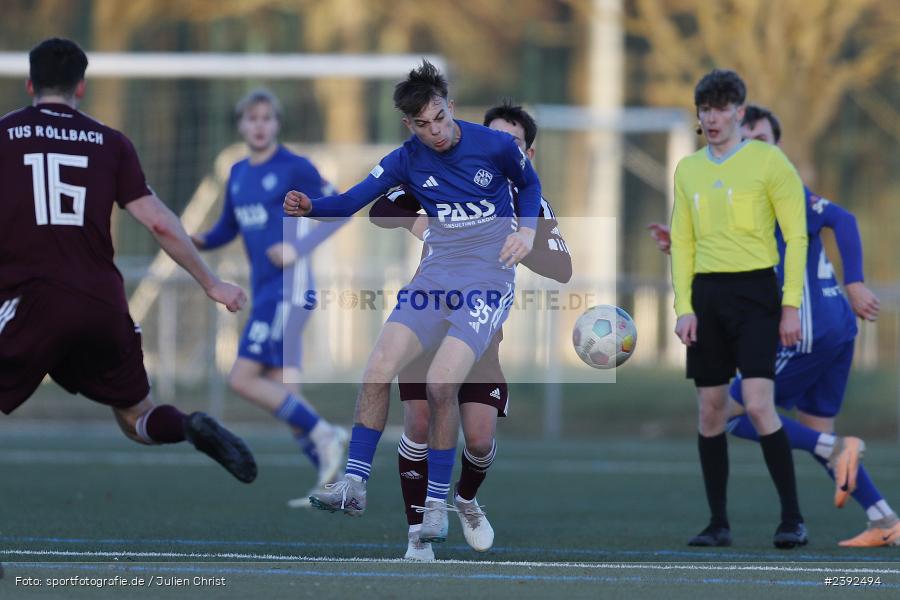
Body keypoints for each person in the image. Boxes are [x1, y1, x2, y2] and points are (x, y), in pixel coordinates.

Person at [284, 60, 542, 545]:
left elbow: (529, 185)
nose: (436, 131)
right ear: (410, 125)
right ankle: (355, 485)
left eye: (440, 117)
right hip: (434, 278)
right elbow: (354, 200)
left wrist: (527, 232)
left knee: (442, 383)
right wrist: (310, 207)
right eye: (423, 124)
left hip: (487, 282)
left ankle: (439, 506)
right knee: (378, 364)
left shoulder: (496, 146)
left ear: (450, 106)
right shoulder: (405, 158)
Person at [0, 38, 256, 484]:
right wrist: (211, 282)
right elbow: (158, 222)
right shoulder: (109, 143)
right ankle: (189, 427)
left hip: (31, 299)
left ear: (29, 83)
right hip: (101, 302)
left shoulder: (4, 135)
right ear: (80, 87)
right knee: (137, 415)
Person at [650, 104, 897, 547]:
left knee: (726, 411)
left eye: (761, 140)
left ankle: (838, 454)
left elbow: (843, 218)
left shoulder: (775, 185)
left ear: (775, 148)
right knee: (814, 432)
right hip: (833, 329)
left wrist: (855, 280)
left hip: (804, 328)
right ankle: (884, 519)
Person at [369, 101, 571, 560]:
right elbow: (381, 205)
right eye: (495, 136)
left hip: (479, 331)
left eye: (513, 143)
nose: (501, 147)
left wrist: (521, 240)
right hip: (427, 319)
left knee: (478, 440)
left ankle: (465, 499)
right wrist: (430, 226)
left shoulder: (532, 203)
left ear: (528, 155)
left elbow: (562, 267)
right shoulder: (444, 173)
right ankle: (418, 535)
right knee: (418, 424)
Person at [670, 69, 809, 549]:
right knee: (710, 411)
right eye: (704, 109)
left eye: (721, 109)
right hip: (707, 297)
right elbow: (683, 243)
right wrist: (684, 307)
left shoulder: (769, 162)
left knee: (755, 402)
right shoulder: (687, 170)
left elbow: (796, 236)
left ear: (739, 113)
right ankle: (718, 524)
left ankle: (792, 518)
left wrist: (790, 305)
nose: (712, 118)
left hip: (756, 296)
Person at [192, 90, 348, 505]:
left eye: (266, 118)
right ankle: (332, 483)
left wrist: (299, 247)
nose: (259, 125)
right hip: (266, 292)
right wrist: (191, 240)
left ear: (276, 124)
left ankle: (325, 432)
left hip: (289, 290)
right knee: (283, 391)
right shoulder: (238, 174)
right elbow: (226, 228)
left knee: (242, 377)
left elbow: (340, 208)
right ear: (241, 125)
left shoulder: (295, 167)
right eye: (251, 118)